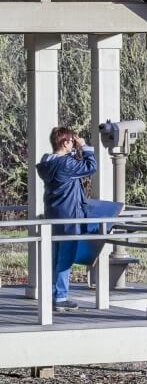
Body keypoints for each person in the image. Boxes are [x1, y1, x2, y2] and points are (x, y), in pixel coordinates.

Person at [35, 127, 97, 311]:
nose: (74, 143)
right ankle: (60, 297)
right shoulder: (66, 164)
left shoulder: (47, 163)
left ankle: (51, 294)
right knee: (66, 258)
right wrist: (85, 147)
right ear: (64, 143)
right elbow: (90, 167)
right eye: (71, 140)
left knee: (54, 257)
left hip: (53, 215)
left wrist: (76, 150)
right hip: (69, 217)